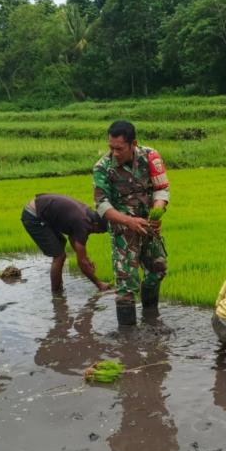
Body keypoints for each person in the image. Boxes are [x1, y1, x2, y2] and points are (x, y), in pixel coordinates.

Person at [93, 120, 169, 325]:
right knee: (126, 283)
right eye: (111, 147)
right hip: (123, 231)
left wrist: (158, 210)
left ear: (133, 143)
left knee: (158, 269)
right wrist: (129, 221)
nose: (114, 152)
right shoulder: (103, 167)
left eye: (119, 148)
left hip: (148, 226)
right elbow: (102, 205)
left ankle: (151, 320)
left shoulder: (150, 157)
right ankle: (128, 338)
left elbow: (161, 189)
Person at [21, 193, 111, 293]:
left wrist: (86, 259)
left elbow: (73, 237)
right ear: (95, 224)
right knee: (59, 256)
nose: (96, 233)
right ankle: (57, 295)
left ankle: (58, 291)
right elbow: (81, 262)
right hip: (33, 215)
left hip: (41, 210)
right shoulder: (83, 223)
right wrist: (98, 283)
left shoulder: (89, 214)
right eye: (98, 231)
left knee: (61, 244)